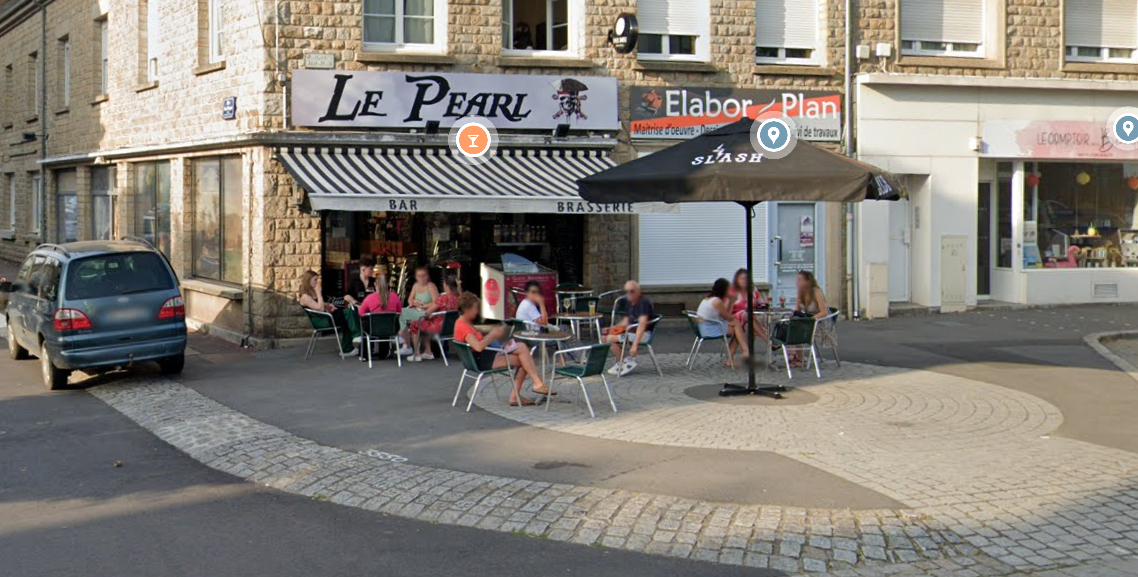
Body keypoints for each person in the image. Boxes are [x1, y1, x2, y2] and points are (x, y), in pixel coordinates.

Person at [454, 292, 551, 407]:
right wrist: (492, 335)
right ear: (467, 309)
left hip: (485, 355)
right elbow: (478, 347)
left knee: (522, 347)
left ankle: (536, 383)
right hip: (483, 360)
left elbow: (477, 343)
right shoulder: (464, 327)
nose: (477, 311)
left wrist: (492, 335)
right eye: (475, 308)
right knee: (524, 361)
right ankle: (519, 394)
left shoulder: (462, 323)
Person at [298, 270, 358, 357]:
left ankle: (349, 346)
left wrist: (328, 305)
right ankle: (354, 339)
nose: (317, 282)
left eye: (317, 279)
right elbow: (320, 308)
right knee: (348, 315)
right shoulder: (305, 297)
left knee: (348, 315)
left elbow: (320, 304)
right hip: (321, 321)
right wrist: (319, 293)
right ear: (308, 281)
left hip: (325, 317)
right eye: (315, 280)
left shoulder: (311, 293)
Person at [603, 280, 654, 376]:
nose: (629, 294)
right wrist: (612, 329)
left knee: (610, 338)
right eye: (627, 291)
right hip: (631, 331)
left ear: (638, 292)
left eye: (632, 291)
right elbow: (626, 321)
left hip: (643, 334)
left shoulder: (643, 303)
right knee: (605, 336)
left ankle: (621, 363)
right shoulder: (631, 303)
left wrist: (635, 345)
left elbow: (642, 324)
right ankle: (622, 362)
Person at [696, 278, 751, 367]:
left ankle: (738, 355)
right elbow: (728, 317)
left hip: (705, 326)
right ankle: (744, 352)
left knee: (738, 328)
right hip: (708, 329)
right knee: (738, 327)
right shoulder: (717, 302)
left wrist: (730, 301)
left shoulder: (709, 298)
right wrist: (739, 315)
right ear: (724, 290)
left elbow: (725, 316)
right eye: (729, 289)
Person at [358, 273, 412, 358]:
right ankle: (384, 352)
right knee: (386, 323)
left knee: (368, 323)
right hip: (391, 328)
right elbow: (399, 312)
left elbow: (361, 313)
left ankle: (366, 354)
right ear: (387, 284)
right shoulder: (395, 297)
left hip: (374, 328)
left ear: (375, 284)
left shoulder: (369, 298)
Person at [409, 276, 460, 362]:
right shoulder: (457, 298)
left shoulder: (443, 298)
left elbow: (427, 312)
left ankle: (417, 354)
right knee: (424, 323)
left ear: (446, 285)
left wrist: (420, 312)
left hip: (438, 327)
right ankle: (428, 351)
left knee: (414, 323)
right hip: (451, 327)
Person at [399, 266, 439, 359]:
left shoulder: (431, 286)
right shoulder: (415, 286)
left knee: (406, 317)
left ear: (427, 276)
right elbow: (410, 299)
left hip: (428, 313)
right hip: (417, 310)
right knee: (402, 313)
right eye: (419, 276)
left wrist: (423, 305)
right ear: (416, 277)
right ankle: (406, 342)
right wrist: (413, 303)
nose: (421, 278)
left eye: (423, 275)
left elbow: (436, 302)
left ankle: (405, 342)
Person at [728, 268, 769, 343]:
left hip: (749, 319)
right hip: (733, 318)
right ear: (736, 280)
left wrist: (764, 305)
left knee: (749, 325)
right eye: (741, 278)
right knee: (747, 316)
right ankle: (768, 341)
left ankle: (748, 349)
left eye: (746, 278)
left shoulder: (753, 290)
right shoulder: (732, 291)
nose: (744, 281)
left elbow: (761, 303)